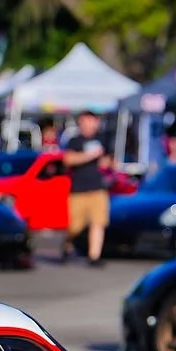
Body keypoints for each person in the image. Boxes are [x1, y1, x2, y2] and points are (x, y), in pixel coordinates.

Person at [64, 110, 112, 266]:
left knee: (98, 222)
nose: (90, 125)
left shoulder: (103, 139)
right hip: (78, 189)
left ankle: (94, 256)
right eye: (86, 121)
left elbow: (109, 161)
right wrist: (89, 155)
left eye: (92, 121)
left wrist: (108, 162)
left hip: (98, 188)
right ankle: (66, 246)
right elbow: (68, 159)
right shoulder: (75, 141)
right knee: (74, 225)